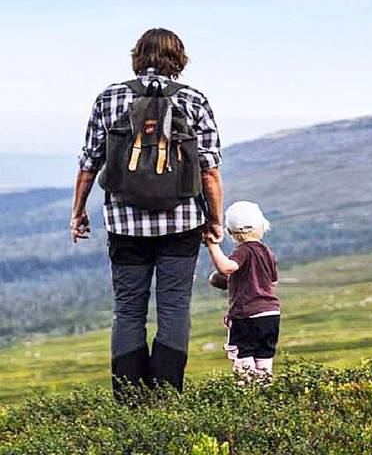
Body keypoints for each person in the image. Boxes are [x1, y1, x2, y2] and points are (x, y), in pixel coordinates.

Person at [69, 28, 224, 398]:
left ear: (137, 56)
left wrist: (78, 211)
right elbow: (209, 170)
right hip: (182, 223)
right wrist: (214, 219)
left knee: (128, 310)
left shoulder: (109, 98)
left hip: (125, 224)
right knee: (174, 308)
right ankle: (166, 399)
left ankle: (129, 400)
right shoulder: (193, 99)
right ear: (179, 59)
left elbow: (89, 163)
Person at [206, 201, 280, 376]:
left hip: (246, 315)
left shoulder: (244, 250)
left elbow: (227, 268)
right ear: (262, 226)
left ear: (230, 232)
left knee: (243, 360)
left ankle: (245, 391)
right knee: (264, 360)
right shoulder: (267, 252)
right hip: (271, 315)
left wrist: (212, 245)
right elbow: (272, 282)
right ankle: (264, 389)